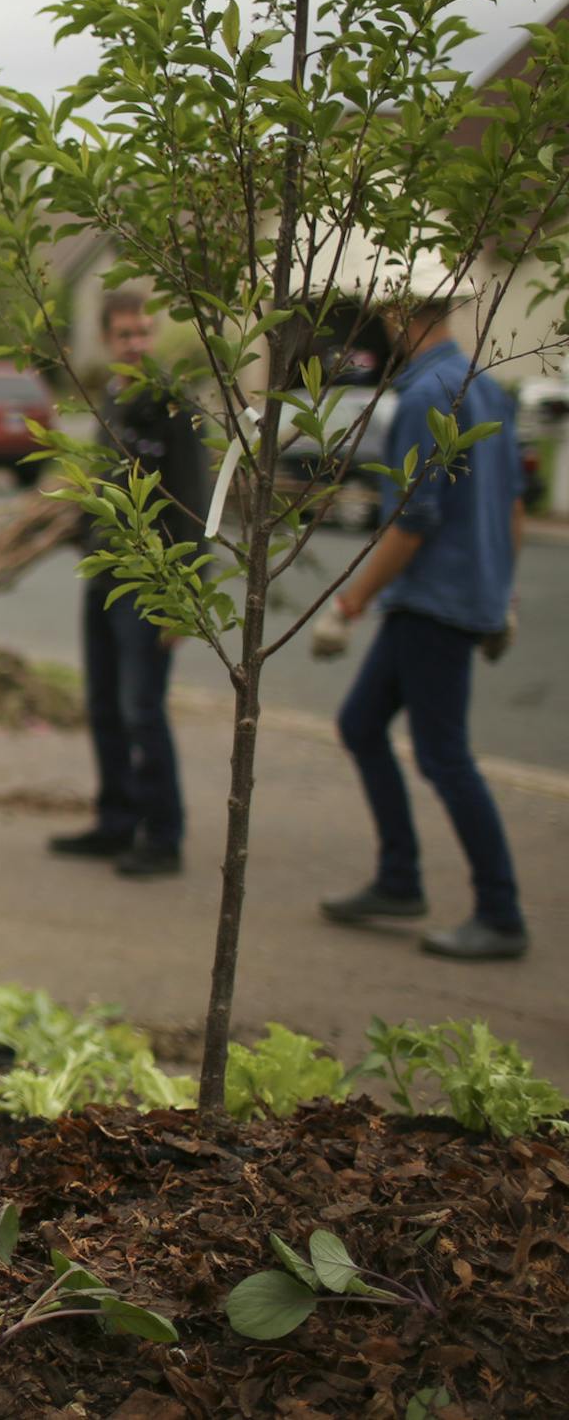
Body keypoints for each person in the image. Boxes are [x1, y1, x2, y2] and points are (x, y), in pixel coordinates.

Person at [319, 276, 527, 960]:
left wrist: (349, 605)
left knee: (444, 754)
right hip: (457, 597)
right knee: (359, 723)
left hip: (432, 601)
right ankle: (399, 878)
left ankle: (500, 913)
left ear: (400, 312)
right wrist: (503, 595)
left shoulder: (424, 397)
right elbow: (512, 505)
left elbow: (410, 524)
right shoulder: (483, 385)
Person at [48, 291, 211, 878]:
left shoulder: (172, 404)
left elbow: (193, 503)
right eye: (125, 335)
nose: (136, 344)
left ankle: (162, 836)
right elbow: (104, 486)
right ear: (106, 340)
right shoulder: (113, 399)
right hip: (106, 577)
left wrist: (184, 601)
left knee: (142, 708)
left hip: (153, 584)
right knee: (103, 704)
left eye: (144, 333)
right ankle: (116, 821)